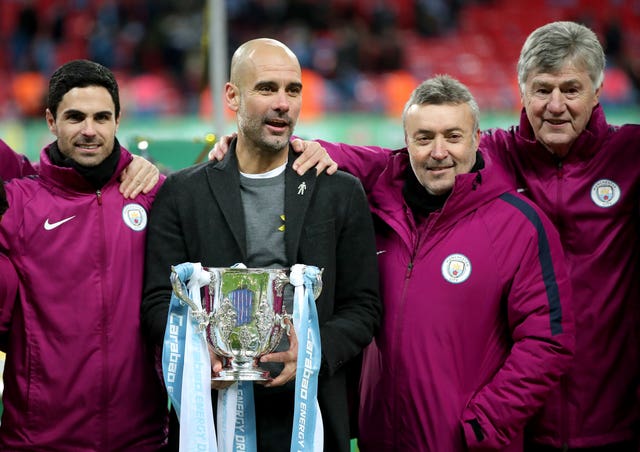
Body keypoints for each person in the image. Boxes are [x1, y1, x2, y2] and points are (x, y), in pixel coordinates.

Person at [272, 20, 639, 451]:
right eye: (542, 90)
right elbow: (390, 164)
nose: (555, 105)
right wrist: (279, 150)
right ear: (521, 92)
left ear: (598, 92)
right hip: (515, 420)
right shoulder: (491, 155)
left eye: (571, 90)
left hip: (611, 413)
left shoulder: (629, 156)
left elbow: (548, 337)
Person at [141, 38, 381, 452]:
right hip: (212, 419)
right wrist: (201, 358)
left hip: (311, 417)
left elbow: (363, 306)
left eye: (293, 90)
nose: (283, 103)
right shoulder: (182, 194)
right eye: (267, 89)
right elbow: (158, 301)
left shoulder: (338, 192)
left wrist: (310, 352)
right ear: (232, 95)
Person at [0, 59, 168, 450]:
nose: (89, 131)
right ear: (50, 120)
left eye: (101, 117)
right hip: (39, 441)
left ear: (117, 120)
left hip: (140, 439)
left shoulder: (153, 195)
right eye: (75, 117)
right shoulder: (18, 205)